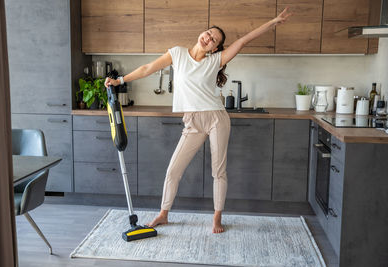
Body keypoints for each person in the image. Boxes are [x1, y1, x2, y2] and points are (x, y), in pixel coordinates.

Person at [105, 7, 292, 233]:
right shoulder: (177, 53)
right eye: (209, 33)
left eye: (214, 40)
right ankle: (163, 214)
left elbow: (244, 40)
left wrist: (273, 21)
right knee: (173, 170)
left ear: (216, 48)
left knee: (218, 171)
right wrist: (120, 80)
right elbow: (147, 68)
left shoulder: (215, 61)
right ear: (202, 33)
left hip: (216, 118)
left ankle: (216, 218)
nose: (209, 38)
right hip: (192, 122)